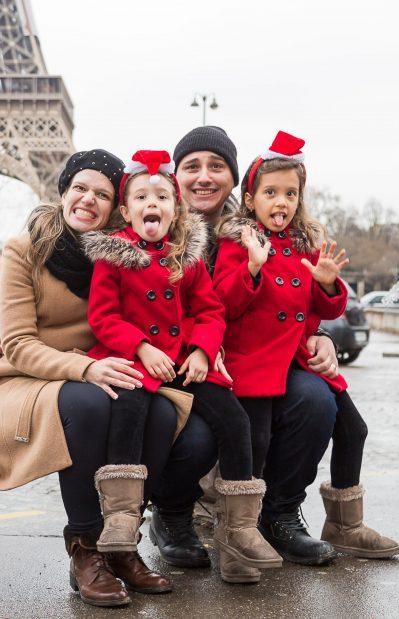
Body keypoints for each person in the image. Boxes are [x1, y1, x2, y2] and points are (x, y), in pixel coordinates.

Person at [0, 150, 200, 607]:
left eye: (102, 194)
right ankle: (85, 548)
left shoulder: (128, 252)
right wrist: (85, 367)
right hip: (30, 376)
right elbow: (18, 344)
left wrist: (210, 345)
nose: (88, 199)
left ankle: (121, 544)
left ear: (117, 207)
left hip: (109, 366)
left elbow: (179, 307)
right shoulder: (25, 249)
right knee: (89, 404)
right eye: (80, 188)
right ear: (64, 191)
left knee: (156, 411)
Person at [146, 125, 344, 572]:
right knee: (198, 435)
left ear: (236, 181)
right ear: (173, 175)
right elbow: (103, 292)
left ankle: (278, 514)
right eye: (191, 166)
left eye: (216, 166)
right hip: (174, 362)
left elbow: (301, 293)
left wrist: (321, 334)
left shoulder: (261, 229)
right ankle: (171, 513)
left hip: (246, 362)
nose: (203, 176)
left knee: (316, 401)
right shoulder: (150, 222)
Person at [81, 150, 280, 582]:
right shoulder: (111, 256)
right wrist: (140, 348)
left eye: (161, 197)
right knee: (127, 412)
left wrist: (203, 351)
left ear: (176, 208)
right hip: (137, 361)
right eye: (141, 197)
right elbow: (103, 317)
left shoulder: (184, 258)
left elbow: (210, 311)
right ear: (126, 210)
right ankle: (121, 516)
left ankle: (239, 531)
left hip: (185, 362)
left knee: (236, 422)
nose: (151, 204)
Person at [213, 131, 399, 560]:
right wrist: (254, 269)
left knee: (353, 427)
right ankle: (250, 525)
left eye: (291, 193)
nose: (281, 202)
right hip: (256, 361)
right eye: (271, 192)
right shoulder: (237, 242)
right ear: (250, 199)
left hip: (295, 357)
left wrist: (329, 283)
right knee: (259, 439)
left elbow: (323, 311)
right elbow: (224, 303)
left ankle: (339, 523)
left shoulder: (304, 245)